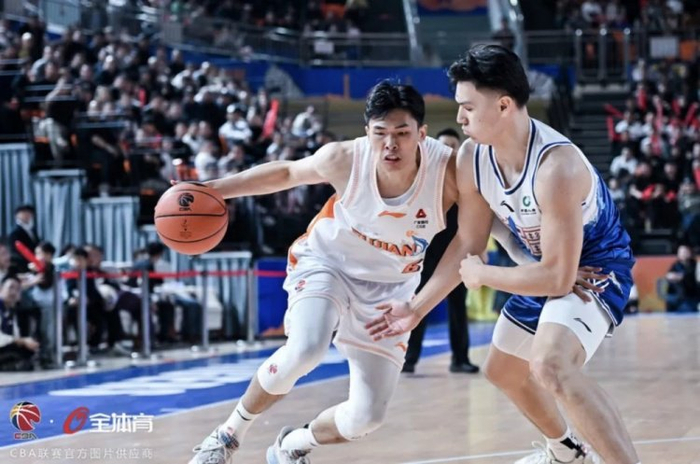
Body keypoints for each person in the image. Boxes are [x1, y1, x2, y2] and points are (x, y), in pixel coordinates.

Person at [187, 81, 518, 464]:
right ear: (367, 132)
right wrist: (212, 189)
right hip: (328, 263)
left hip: (391, 289)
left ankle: (294, 443)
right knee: (306, 349)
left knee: (366, 417)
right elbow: (287, 173)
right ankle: (227, 435)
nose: (390, 144)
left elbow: (472, 239)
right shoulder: (344, 158)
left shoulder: (449, 170)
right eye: (380, 133)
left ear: (421, 134)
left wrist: (417, 308)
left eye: (401, 133)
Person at [367, 45, 640, 464]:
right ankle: (567, 453)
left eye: (467, 107)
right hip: (541, 264)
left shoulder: (557, 167)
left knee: (550, 365)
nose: (460, 118)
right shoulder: (472, 157)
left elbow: (558, 279)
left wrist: (485, 276)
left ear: (504, 105)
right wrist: (416, 309)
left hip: (594, 266)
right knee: (503, 370)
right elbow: (468, 243)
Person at [403, 127, 479, 374]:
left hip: (457, 255)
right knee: (420, 303)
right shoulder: (423, 180)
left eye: (452, 146)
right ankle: (409, 358)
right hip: (426, 254)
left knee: (458, 308)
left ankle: (460, 358)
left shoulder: (467, 182)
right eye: (443, 145)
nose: (448, 150)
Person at [0, 274, 40, 371]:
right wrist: (21, 341)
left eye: (18, 289)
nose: (14, 292)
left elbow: (15, 335)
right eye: (10, 288)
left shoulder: (11, 311)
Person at [8, 204, 40, 273]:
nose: (27, 215)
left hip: (36, 264)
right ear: (17, 215)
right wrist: (28, 263)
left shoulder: (33, 230)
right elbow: (15, 252)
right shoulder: (15, 233)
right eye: (24, 213)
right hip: (23, 266)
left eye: (29, 213)